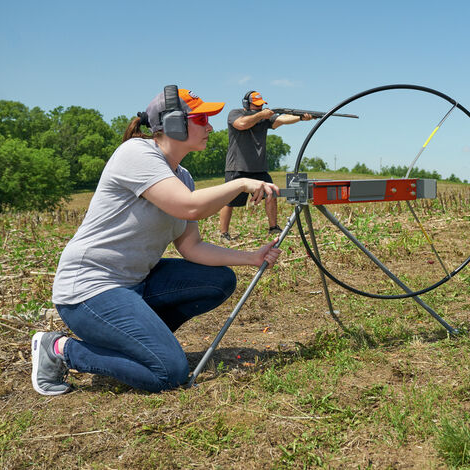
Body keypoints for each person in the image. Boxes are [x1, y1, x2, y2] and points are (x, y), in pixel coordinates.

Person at [31, 86, 282, 395]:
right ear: (174, 123)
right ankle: (60, 348)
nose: (210, 127)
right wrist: (240, 182)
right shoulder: (136, 153)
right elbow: (188, 205)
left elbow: (192, 247)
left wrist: (251, 257)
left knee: (219, 281)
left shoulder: (184, 176)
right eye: (202, 119)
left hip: (134, 283)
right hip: (90, 289)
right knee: (169, 373)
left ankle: (134, 342)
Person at [218, 91, 312, 241]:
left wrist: (301, 117)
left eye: (261, 105)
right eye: (256, 104)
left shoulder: (264, 118)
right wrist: (261, 115)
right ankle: (223, 233)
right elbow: (241, 125)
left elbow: (283, 119)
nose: (259, 107)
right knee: (229, 201)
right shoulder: (235, 114)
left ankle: (273, 228)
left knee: (271, 194)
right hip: (237, 167)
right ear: (246, 104)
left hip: (259, 167)